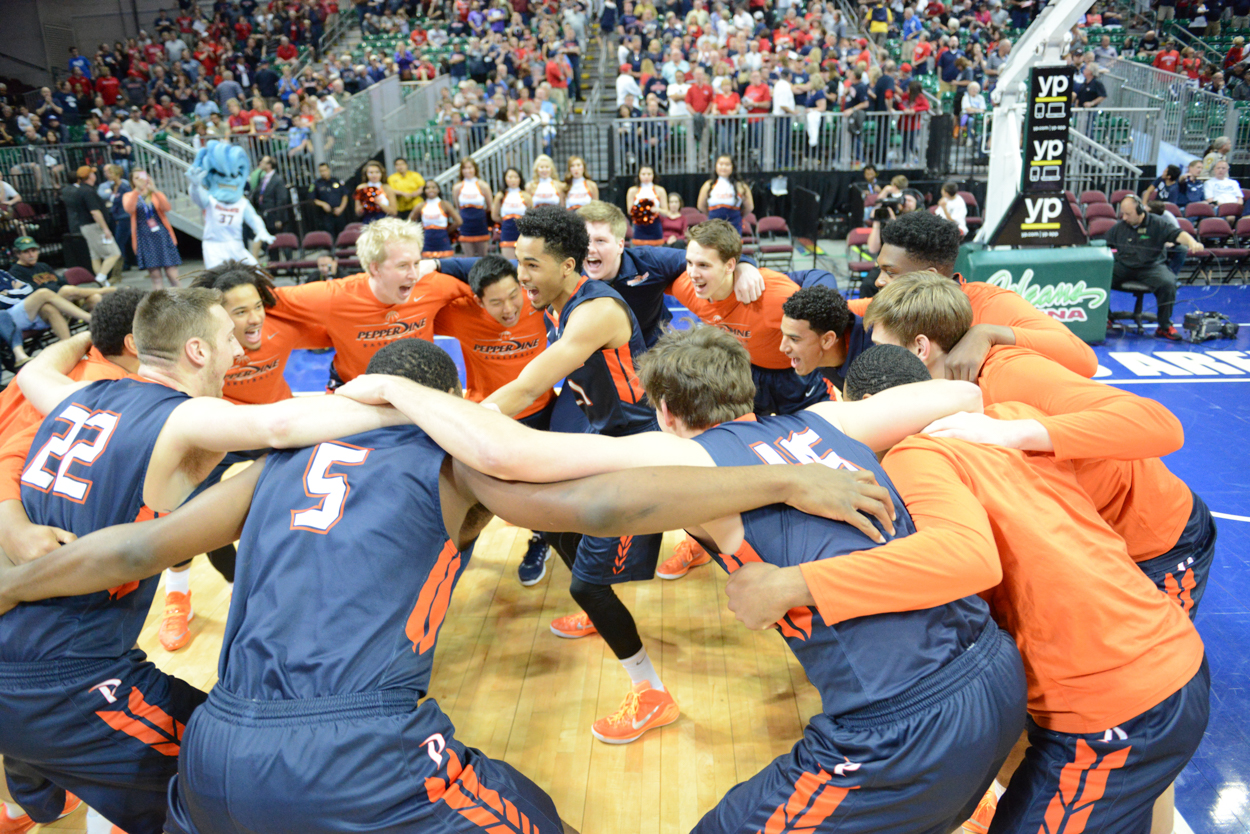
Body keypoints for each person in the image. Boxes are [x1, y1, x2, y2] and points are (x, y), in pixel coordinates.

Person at [0, 335, 888, 834]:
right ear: (449, 401)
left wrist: (14, 584)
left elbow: (129, 552)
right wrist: (782, 480)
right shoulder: (444, 457)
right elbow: (603, 504)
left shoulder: (270, 468)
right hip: (353, 750)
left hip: (218, 751)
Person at [331, 325, 1026, 824]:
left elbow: (506, 459)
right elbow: (962, 401)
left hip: (900, 726)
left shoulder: (689, 459)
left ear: (664, 414)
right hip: (997, 677)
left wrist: (393, 389)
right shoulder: (832, 421)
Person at [731, 338, 1207, 834]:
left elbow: (965, 557)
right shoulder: (1009, 420)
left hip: (1115, 702)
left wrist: (793, 584)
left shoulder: (911, 456)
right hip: (1161, 649)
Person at [0, 288, 422, 834]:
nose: (239, 351)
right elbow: (278, 427)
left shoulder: (76, 394)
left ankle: (43, 797)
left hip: (29, 659)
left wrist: (84, 336)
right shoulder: (182, 416)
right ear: (197, 351)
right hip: (63, 680)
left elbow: (35, 368)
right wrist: (408, 398)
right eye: (228, 339)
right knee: (233, 784)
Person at [861, 210, 1100, 378]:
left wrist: (986, 333)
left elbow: (1084, 360)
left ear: (928, 276)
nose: (879, 281)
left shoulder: (991, 303)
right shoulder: (890, 305)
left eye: (890, 272)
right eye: (879, 269)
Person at [433, 255, 555, 584]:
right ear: (478, 301)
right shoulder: (461, 314)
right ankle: (451, 554)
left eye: (513, 295)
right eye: (497, 302)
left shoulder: (540, 302)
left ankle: (540, 538)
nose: (509, 308)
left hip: (540, 413)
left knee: (539, 493)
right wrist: (435, 265)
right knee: (473, 502)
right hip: (486, 418)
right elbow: (413, 310)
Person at [265, 217, 472, 390]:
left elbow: (486, 277)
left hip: (418, 391)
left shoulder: (433, 286)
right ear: (375, 268)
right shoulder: (336, 296)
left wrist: (436, 264)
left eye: (416, 263)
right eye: (402, 266)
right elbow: (267, 299)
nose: (413, 274)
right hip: (356, 396)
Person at [1106, 194, 1204, 341]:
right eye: (1123, 214)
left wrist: (1192, 242)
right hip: (1124, 266)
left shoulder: (1157, 223)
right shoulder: (1119, 227)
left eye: (1128, 214)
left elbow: (1178, 234)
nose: (1124, 218)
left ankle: (1164, 326)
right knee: (1098, 278)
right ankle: (1105, 317)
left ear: (1140, 211)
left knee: (1168, 283)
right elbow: (1104, 244)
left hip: (1151, 267)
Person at [9, 236, 112, 313]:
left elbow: (62, 282)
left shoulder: (43, 266)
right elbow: (34, 294)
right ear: (18, 254)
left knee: (95, 298)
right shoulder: (16, 272)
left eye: (34, 250)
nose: (31, 255)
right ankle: (105, 291)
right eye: (26, 252)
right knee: (66, 290)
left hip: (65, 300)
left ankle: (96, 330)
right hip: (45, 307)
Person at [61, 165, 121, 284]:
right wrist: (105, 229)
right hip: (94, 226)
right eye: (92, 173)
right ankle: (100, 278)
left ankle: (103, 284)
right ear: (90, 176)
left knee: (95, 256)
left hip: (85, 226)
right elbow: (95, 212)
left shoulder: (80, 190)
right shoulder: (88, 191)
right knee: (114, 253)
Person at [123, 169, 181, 289]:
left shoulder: (155, 194)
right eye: (136, 178)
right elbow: (129, 209)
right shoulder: (129, 195)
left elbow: (166, 207)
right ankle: (159, 300)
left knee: (173, 275)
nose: (140, 180)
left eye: (142, 177)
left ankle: (181, 299)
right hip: (145, 237)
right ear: (132, 181)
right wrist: (137, 191)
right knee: (156, 277)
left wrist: (154, 190)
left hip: (162, 235)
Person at [696, 154, 753, 235]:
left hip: (734, 225)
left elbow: (749, 207)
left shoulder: (741, 186)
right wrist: (712, 216)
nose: (723, 167)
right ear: (716, 166)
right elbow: (701, 206)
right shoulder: (708, 185)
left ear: (733, 167)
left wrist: (738, 217)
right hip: (713, 225)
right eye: (721, 164)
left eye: (727, 164)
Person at [453, 157, 493, 257]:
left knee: (483, 256)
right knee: (468, 257)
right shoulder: (457, 187)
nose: (467, 171)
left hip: (480, 222)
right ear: (461, 170)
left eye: (470, 167)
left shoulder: (483, 185)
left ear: (475, 169)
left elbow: (489, 206)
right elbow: (457, 206)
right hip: (465, 224)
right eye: (464, 168)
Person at [102, 163, 139, 272]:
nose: (108, 175)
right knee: (126, 241)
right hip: (117, 216)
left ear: (117, 174)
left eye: (111, 173)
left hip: (125, 217)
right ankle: (130, 262)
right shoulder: (113, 187)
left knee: (120, 241)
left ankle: (123, 264)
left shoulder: (124, 187)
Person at [413, 180, 462, 259]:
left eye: (433, 187)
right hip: (427, 240)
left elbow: (458, 221)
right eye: (428, 188)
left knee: (447, 263)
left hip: (443, 239)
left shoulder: (445, 204)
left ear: (438, 190)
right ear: (424, 191)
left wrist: (447, 231)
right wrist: (420, 231)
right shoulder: (421, 206)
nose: (431, 190)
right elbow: (410, 221)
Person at [627, 165, 667, 245]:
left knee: (656, 250)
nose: (646, 177)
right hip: (639, 226)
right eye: (643, 174)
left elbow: (666, 212)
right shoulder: (632, 191)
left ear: (653, 175)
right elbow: (629, 211)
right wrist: (641, 209)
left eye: (649, 174)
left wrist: (657, 209)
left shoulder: (660, 190)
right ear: (639, 175)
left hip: (655, 225)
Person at [493, 167, 530, 253]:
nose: (513, 180)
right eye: (510, 177)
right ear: (505, 179)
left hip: (522, 232)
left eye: (516, 177)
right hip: (507, 231)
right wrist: (507, 221)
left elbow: (530, 215)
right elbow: (494, 216)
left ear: (520, 179)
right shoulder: (500, 196)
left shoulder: (526, 196)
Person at [311, 162, 348, 240]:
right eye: (321, 171)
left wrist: (341, 208)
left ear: (329, 170)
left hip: (339, 212)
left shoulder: (337, 181)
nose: (323, 173)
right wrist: (323, 204)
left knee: (342, 235)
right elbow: (312, 199)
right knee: (329, 237)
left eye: (325, 170)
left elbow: (345, 195)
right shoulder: (316, 184)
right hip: (326, 215)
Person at [354, 160, 398, 225]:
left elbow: (394, 212)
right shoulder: (361, 188)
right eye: (371, 172)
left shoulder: (387, 188)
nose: (374, 175)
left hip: (385, 221)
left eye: (377, 172)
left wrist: (378, 203)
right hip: (368, 221)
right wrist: (366, 203)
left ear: (381, 173)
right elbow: (357, 212)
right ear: (366, 174)